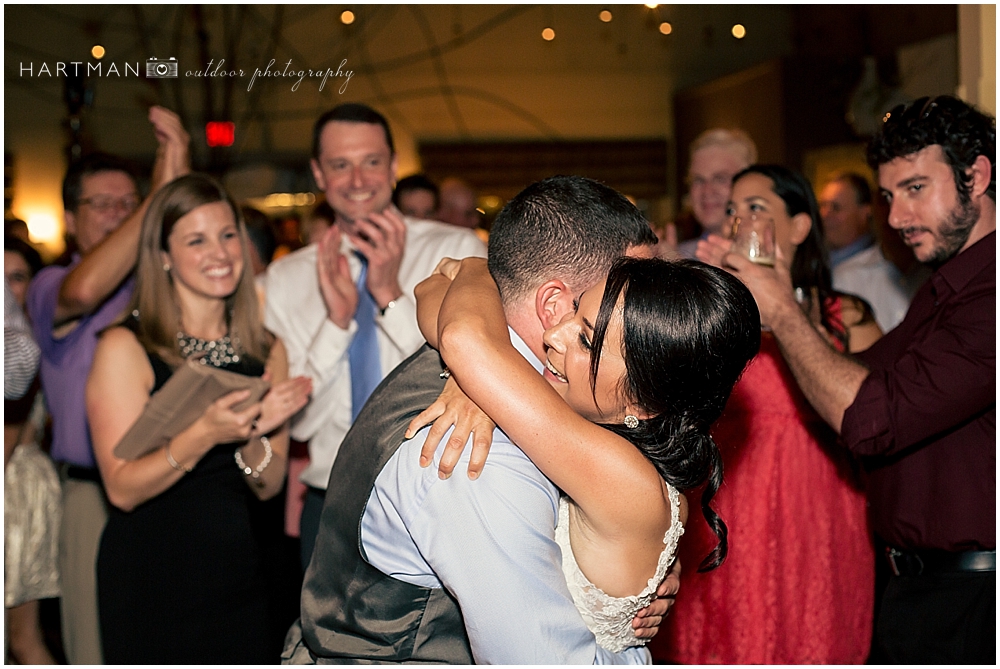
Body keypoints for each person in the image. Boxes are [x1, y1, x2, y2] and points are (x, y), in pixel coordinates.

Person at [284, 176, 680, 664]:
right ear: (555, 305)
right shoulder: (477, 456)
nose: (651, 304)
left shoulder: (488, 371)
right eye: (636, 289)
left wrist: (633, 571)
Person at [724, 96, 995, 664]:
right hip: (923, 589)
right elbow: (859, 380)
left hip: (973, 601)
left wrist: (782, 310)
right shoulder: (946, 290)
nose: (895, 217)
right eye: (890, 196)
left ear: (977, 175)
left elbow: (870, 417)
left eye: (917, 189)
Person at [409, 254, 760, 654]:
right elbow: (431, 295)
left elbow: (462, 339)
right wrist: (474, 379)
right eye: (576, 309)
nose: (553, 335)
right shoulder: (604, 444)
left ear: (641, 406)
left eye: (586, 340)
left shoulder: (623, 477)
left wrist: (473, 268)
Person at [655, 165, 882, 664]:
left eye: (757, 209)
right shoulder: (717, 319)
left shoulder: (848, 316)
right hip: (730, 509)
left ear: (800, 227)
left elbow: (879, 414)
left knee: (818, 635)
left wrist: (786, 306)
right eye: (734, 212)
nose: (740, 221)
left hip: (821, 514)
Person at [85, 174, 311, 663]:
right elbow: (122, 489)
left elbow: (268, 485)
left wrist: (255, 431)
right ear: (163, 256)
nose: (221, 252)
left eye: (228, 234)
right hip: (149, 570)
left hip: (235, 568)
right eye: (196, 239)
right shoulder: (126, 348)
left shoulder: (266, 349)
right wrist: (205, 433)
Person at [264, 103, 486, 569]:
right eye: (340, 165)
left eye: (371, 161)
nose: (358, 179)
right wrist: (337, 322)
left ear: (393, 166)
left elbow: (469, 374)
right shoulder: (285, 278)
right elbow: (299, 424)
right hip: (329, 501)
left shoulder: (455, 250)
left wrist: (389, 295)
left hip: (435, 491)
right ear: (318, 174)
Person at [25, 106, 188, 665]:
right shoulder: (51, 285)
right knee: (97, 646)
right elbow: (85, 290)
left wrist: (172, 181)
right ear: (69, 220)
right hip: (93, 495)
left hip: (171, 481)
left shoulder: (159, 286)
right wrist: (157, 194)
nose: (122, 214)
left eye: (131, 201)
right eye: (104, 205)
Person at [4, 236, 60, 665]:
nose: (6, 288)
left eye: (17, 277)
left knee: (22, 638)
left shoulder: (23, 345)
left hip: (16, 490)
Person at [820, 172, 919, 331]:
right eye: (885, 200)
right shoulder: (843, 276)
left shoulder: (935, 271)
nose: (825, 216)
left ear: (866, 211)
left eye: (836, 208)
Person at [672, 128, 757, 259]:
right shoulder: (679, 257)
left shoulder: (769, 257)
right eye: (698, 180)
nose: (707, 191)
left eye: (720, 179)